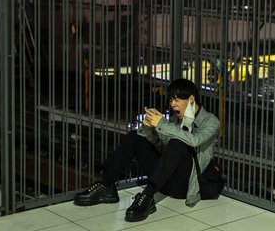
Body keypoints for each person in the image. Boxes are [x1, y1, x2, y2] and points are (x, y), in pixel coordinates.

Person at [74, 78, 220, 222]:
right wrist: (148, 127)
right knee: (135, 136)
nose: (172, 104)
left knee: (177, 142)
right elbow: (160, 142)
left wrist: (162, 123)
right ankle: (106, 185)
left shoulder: (211, 121)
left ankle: (147, 196)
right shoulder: (177, 119)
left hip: (187, 185)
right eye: (170, 100)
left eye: (176, 100)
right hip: (167, 180)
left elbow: (195, 140)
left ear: (191, 99)